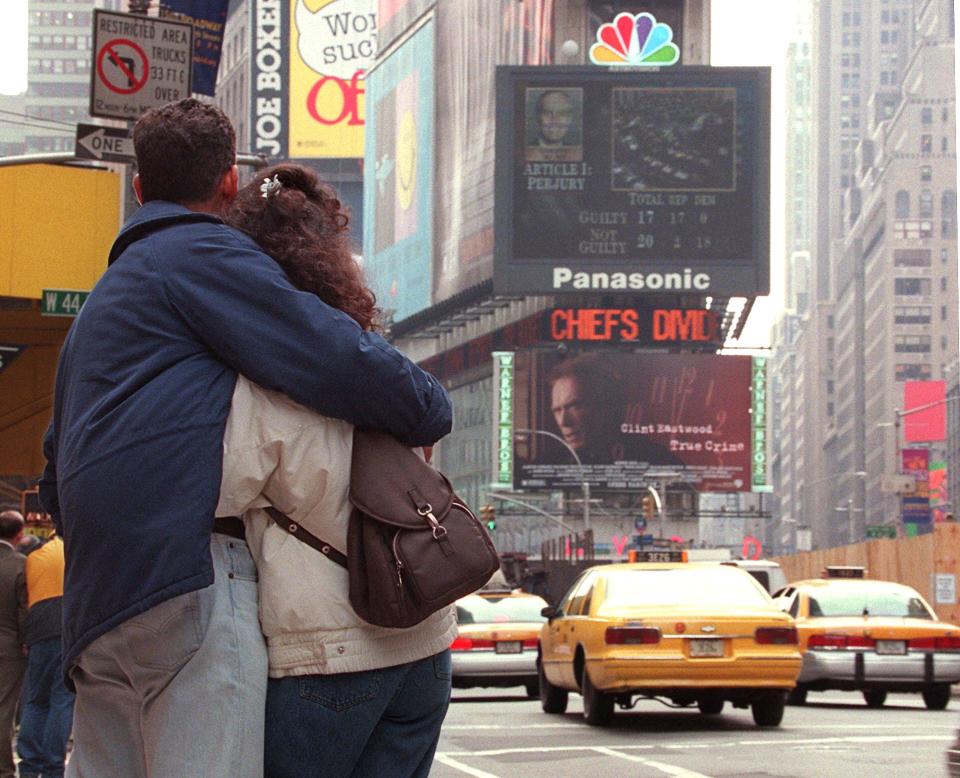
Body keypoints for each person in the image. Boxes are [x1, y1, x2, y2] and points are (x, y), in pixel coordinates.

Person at [40, 99, 451, 778]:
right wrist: (428, 408)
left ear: (139, 188)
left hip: (100, 600)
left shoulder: (105, 303)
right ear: (229, 183)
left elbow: (58, 463)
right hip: (188, 578)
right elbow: (335, 355)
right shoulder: (201, 255)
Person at [216, 163, 456, 778]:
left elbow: (218, 497)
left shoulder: (258, 386)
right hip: (425, 643)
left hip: (326, 653)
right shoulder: (383, 371)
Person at [544, 354, 681, 467]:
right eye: (557, 410)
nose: (564, 422)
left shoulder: (656, 460)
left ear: (605, 404)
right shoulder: (548, 463)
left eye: (575, 406)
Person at [17, 532, 74, 778]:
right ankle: (52, 767)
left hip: (38, 629)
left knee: (36, 701)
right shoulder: (71, 552)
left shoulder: (34, 558)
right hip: (65, 626)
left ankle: (29, 766)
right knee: (61, 700)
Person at [0, 511, 26, 778]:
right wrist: (25, 641)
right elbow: (23, 610)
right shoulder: (20, 564)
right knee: (5, 707)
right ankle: (4, 768)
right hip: (8, 645)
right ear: (19, 534)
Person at [525, 89, 582, 162]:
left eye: (561, 114)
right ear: (538, 117)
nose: (554, 120)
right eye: (547, 113)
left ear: (569, 119)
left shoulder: (576, 154)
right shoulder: (524, 153)